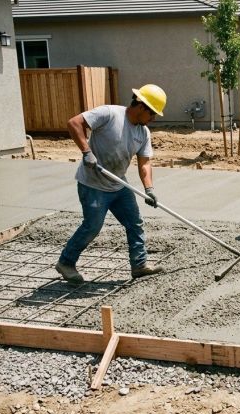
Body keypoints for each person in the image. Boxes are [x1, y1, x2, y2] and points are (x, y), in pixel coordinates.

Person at [55, 84, 167, 283]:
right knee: (92, 227)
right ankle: (66, 262)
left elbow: (145, 163)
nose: (154, 119)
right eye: (152, 114)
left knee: (135, 223)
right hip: (93, 185)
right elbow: (74, 123)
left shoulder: (144, 133)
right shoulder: (109, 114)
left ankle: (139, 265)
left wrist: (149, 189)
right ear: (142, 106)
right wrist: (86, 152)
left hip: (118, 185)